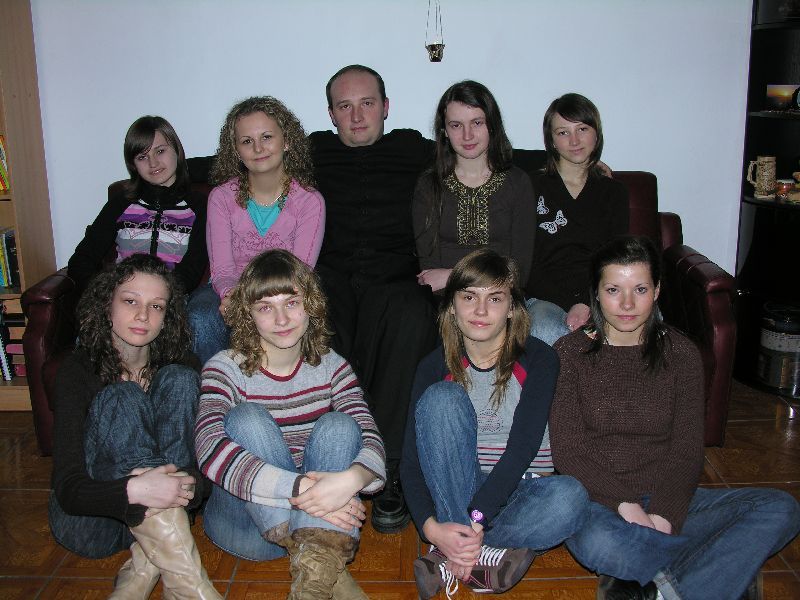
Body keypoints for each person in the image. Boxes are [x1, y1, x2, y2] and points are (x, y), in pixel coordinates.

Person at [549, 235, 800, 600]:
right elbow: (570, 451)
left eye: (640, 289)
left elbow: (686, 448)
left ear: (657, 291)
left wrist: (664, 516)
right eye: (614, 290)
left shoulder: (680, 353)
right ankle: (715, 569)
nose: (627, 304)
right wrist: (628, 508)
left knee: (780, 509)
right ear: (597, 294)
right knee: (602, 546)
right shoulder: (569, 354)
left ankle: (663, 584)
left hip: (670, 497)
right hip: (599, 503)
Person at [195, 249, 386, 599]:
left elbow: (370, 436)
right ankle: (322, 556)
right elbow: (207, 448)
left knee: (341, 425)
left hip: (316, 515)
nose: (282, 319)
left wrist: (352, 480)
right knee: (246, 418)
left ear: (310, 305)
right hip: (245, 527)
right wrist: (304, 490)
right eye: (265, 307)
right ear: (248, 314)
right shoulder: (224, 368)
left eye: (291, 303)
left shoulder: (333, 366)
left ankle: (314, 569)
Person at [400, 248, 589, 599]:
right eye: (469, 297)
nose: (481, 310)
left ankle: (453, 552)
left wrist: (476, 519)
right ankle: (477, 554)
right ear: (451, 306)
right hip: (457, 484)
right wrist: (430, 528)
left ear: (512, 308)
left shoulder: (540, 358)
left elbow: (522, 449)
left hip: (518, 487)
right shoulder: (432, 366)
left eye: (495, 298)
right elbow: (410, 462)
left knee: (570, 498)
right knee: (442, 398)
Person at [49, 254, 219, 599]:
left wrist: (184, 486)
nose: (143, 315)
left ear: (167, 316)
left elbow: (204, 473)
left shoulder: (184, 366)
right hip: (95, 524)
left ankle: (146, 565)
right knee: (122, 396)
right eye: (130, 301)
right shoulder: (77, 371)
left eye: (156, 306)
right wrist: (135, 491)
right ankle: (190, 586)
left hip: (167, 513)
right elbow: (68, 488)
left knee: (181, 379)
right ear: (106, 306)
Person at [189, 96, 325, 366]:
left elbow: (299, 274)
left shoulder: (310, 202)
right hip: (228, 290)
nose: (258, 148)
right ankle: (217, 387)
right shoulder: (221, 198)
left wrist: (262, 305)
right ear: (236, 150)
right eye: (247, 141)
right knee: (201, 316)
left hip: (283, 293)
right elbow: (222, 269)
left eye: (267, 137)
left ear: (287, 141)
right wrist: (232, 297)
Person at [413, 80, 537, 294]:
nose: (467, 135)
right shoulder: (429, 186)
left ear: (492, 125)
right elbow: (430, 275)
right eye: (456, 125)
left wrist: (451, 275)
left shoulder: (517, 183)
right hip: (446, 300)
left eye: (477, 123)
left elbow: (519, 272)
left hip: (501, 299)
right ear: (444, 131)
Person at [525, 93, 628, 346]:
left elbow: (615, 258)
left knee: (643, 322)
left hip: (603, 293)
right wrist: (572, 302)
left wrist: (587, 301)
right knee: (544, 329)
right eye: (563, 132)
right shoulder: (530, 186)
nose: (574, 141)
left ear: (596, 133)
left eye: (582, 129)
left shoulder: (614, 192)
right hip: (545, 296)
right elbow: (526, 262)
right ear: (551, 140)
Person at [68, 115, 207, 300]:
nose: (153, 163)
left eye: (160, 151)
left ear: (176, 149)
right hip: (121, 299)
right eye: (142, 157)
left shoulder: (199, 206)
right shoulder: (122, 202)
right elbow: (81, 260)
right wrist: (106, 294)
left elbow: (192, 270)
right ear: (133, 164)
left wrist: (158, 297)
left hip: (169, 301)